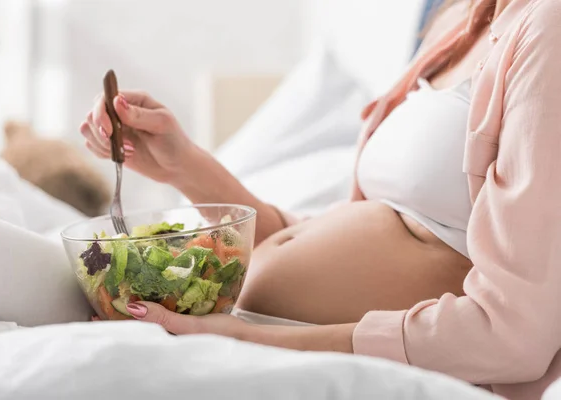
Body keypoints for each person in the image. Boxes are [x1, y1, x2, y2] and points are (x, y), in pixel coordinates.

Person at [81, 0, 561, 398]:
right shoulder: (459, 20)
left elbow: (518, 335)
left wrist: (259, 339)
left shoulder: (547, 27)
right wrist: (182, 165)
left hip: (354, 373)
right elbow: (347, 236)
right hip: (263, 343)